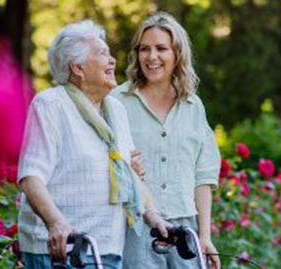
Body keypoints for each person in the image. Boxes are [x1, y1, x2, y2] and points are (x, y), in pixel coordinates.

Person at [17, 19, 168, 269]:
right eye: (102, 54)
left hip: (107, 248)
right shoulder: (51, 105)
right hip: (62, 251)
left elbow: (129, 172)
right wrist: (56, 222)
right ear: (78, 67)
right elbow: (31, 177)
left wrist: (154, 216)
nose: (113, 61)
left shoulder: (115, 110)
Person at [112, 12, 222, 269]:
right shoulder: (117, 101)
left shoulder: (193, 106)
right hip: (136, 228)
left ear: (177, 55)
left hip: (185, 229)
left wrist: (204, 237)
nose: (152, 57)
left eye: (161, 48)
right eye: (144, 49)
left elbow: (203, 176)